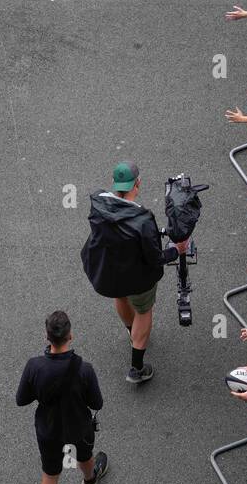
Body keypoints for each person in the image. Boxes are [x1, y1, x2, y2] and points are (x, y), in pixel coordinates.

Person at [80, 162, 186, 384]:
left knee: (121, 297)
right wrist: (175, 251)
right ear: (137, 183)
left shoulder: (99, 201)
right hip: (137, 278)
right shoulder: (142, 219)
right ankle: (137, 368)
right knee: (143, 310)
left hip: (109, 273)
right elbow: (155, 257)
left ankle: (131, 332)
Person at [15, 310, 107, 484]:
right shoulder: (84, 369)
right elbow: (97, 403)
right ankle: (89, 480)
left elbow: (21, 399)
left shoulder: (35, 366)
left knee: (50, 475)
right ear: (70, 335)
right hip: (78, 427)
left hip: (49, 430)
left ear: (47, 337)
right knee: (84, 456)